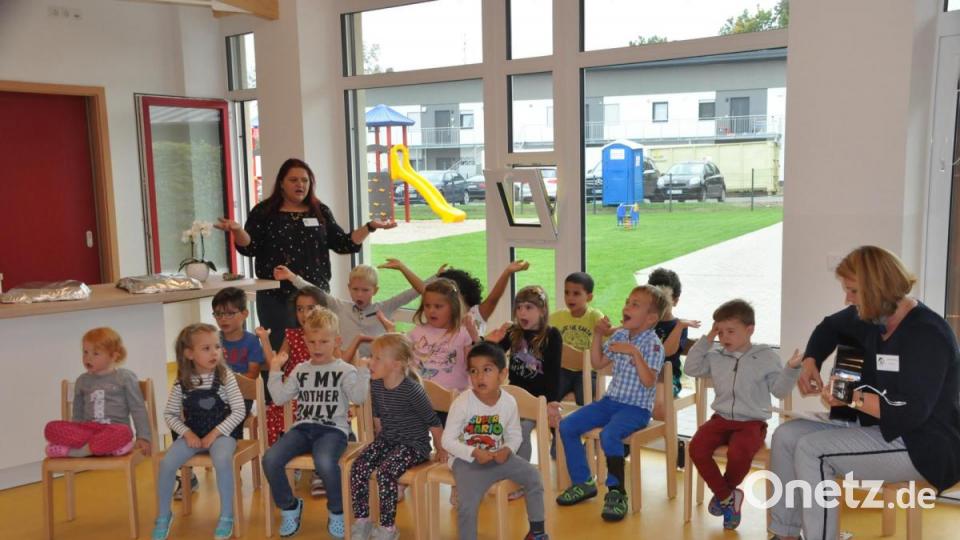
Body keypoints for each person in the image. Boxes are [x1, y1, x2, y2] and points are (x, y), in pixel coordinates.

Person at [769, 246, 960, 540]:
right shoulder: (871, 315)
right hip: (878, 428)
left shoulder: (927, 335)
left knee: (813, 451)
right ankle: (786, 534)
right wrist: (811, 361)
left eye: (853, 291)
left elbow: (908, 413)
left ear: (877, 290)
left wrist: (849, 396)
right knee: (785, 436)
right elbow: (828, 328)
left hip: (923, 444)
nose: (847, 298)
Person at [215, 158, 396, 352]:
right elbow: (249, 248)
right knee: (280, 350)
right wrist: (236, 230)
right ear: (281, 184)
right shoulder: (264, 211)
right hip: (275, 297)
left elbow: (344, 244)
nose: (300, 184)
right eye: (293, 180)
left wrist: (369, 227)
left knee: (318, 348)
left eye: (305, 180)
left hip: (314, 294)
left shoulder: (320, 211)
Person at [684, 299, 802, 530]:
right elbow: (691, 369)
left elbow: (779, 390)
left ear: (750, 330)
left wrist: (791, 369)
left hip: (751, 422)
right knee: (697, 447)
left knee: (739, 452)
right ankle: (728, 497)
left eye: (731, 331)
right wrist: (707, 340)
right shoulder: (716, 354)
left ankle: (724, 495)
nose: (724, 337)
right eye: (720, 332)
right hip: (720, 420)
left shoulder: (765, 356)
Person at [555, 285, 669, 522]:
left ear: (650, 319)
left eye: (635, 304)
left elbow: (649, 382)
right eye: (627, 301)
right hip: (609, 402)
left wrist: (634, 353)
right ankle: (584, 482)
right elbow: (597, 363)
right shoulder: (618, 335)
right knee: (567, 426)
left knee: (609, 435)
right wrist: (598, 334)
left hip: (636, 409)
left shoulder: (653, 344)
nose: (627, 306)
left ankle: (617, 492)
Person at [262, 307, 371, 539]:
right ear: (304, 341)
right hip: (303, 428)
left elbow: (359, 398)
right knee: (270, 458)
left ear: (336, 341)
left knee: (324, 462)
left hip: (333, 431)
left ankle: (337, 510)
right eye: (312, 342)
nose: (317, 347)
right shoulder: (301, 369)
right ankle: (290, 507)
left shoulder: (344, 369)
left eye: (324, 341)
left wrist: (363, 372)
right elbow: (280, 397)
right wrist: (274, 370)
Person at [442, 342, 549, 540]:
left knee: (534, 477)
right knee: (467, 504)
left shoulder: (508, 402)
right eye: (474, 371)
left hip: (499, 458)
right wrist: (473, 452)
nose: (479, 377)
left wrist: (507, 450)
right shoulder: (462, 403)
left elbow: (515, 434)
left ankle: (537, 532)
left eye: (487, 370)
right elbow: (447, 441)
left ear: (502, 374)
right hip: (466, 462)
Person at [152, 323, 246, 540]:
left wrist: (215, 434)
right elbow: (170, 414)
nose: (214, 352)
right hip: (193, 435)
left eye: (217, 346)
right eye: (206, 348)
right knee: (166, 463)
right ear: (189, 354)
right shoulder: (182, 382)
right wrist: (187, 433)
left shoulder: (225, 376)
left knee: (222, 459)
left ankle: (226, 515)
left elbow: (239, 410)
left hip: (223, 435)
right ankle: (164, 515)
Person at [349, 334, 445, 540]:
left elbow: (434, 421)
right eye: (372, 357)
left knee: (386, 472)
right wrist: (379, 442)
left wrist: (441, 449)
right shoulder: (375, 384)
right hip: (389, 440)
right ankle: (363, 520)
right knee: (359, 466)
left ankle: (387, 528)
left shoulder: (412, 391)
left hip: (414, 446)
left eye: (377, 358)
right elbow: (378, 416)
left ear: (397, 364)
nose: (370, 362)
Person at [273, 258, 425, 359]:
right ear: (348, 288)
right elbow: (315, 291)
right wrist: (292, 276)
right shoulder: (340, 306)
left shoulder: (385, 307)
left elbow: (419, 290)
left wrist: (403, 268)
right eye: (355, 289)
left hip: (376, 366)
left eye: (365, 290)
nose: (359, 294)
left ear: (375, 290)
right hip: (344, 365)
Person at [44, 328, 151, 458]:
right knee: (51, 427)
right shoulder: (82, 381)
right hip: (88, 432)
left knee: (124, 432)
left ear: (113, 356)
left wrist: (143, 437)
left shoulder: (125, 378)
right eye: (85, 352)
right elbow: (77, 413)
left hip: (114, 429)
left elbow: (137, 409)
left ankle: (81, 452)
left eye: (95, 353)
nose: (88, 358)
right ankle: (106, 448)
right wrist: (74, 434)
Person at [486, 285, 563, 462]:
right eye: (519, 307)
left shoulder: (552, 335)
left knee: (520, 430)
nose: (522, 313)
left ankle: (521, 477)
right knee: (493, 426)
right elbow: (492, 357)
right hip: (513, 399)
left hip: (538, 401)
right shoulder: (514, 332)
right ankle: (500, 469)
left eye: (529, 307)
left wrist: (552, 402)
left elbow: (553, 373)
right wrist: (490, 341)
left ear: (542, 310)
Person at [256, 286, 326, 448]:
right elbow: (275, 364)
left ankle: (314, 457)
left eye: (311, 308)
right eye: (299, 309)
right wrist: (265, 340)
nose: (305, 314)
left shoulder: (328, 335)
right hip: (292, 394)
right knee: (275, 413)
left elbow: (336, 365)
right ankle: (289, 459)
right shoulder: (292, 336)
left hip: (320, 395)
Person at [646, 268, 700, 420]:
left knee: (660, 403)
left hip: (668, 379)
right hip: (643, 376)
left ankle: (665, 441)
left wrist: (679, 326)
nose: (660, 307)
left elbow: (667, 352)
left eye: (665, 301)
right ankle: (631, 440)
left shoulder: (678, 326)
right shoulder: (645, 323)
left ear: (675, 300)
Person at [408, 278, 480, 393]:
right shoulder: (415, 332)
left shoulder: (464, 334)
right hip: (421, 397)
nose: (431, 311)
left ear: (453, 307)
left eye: (438, 306)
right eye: (427, 306)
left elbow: (477, 363)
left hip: (454, 400)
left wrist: (475, 336)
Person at [549, 272, 606, 406]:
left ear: (589, 297)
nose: (570, 298)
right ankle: (552, 423)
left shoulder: (594, 316)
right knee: (550, 393)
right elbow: (541, 328)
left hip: (587, 371)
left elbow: (607, 334)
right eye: (566, 292)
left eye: (576, 294)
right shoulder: (558, 316)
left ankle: (585, 424)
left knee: (585, 398)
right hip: (563, 369)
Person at [437, 260, 529, 336]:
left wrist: (507, 272)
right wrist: (437, 277)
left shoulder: (477, 313)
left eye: (446, 293)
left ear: (462, 293)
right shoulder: (442, 314)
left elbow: (494, 297)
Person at [213, 287, 264, 380]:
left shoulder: (252, 341)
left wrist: (227, 384)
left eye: (229, 313)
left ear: (245, 314)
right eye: (218, 314)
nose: (223, 319)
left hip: (243, 390)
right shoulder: (212, 340)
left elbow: (253, 374)